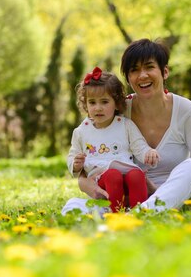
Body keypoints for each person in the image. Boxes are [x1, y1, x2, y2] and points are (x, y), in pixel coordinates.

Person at [62, 38, 191, 215]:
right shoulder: (117, 111)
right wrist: (84, 183)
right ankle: (136, 214)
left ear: (164, 71)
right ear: (128, 79)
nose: (142, 75)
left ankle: (142, 214)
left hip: (177, 199)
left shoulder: (186, 110)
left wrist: (163, 191)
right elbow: (94, 154)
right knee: (72, 207)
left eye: (149, 67)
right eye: (134, 70)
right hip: (131, 200)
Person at [67, 66, 160, 212]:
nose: (98, 108)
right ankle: (114, 214)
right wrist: (76, 164)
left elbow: (139, 146)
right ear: (85, 104)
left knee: (137, 174)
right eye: (92, 102)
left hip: (127, 173)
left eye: (104, 102)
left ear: (116, 103)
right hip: (102, 179)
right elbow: (72, 156)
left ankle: (139, 213)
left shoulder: (125, 125)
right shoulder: (81, 131)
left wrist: (148, 153)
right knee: (113, 175)